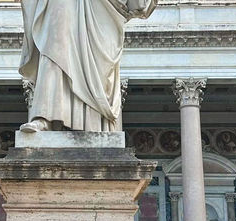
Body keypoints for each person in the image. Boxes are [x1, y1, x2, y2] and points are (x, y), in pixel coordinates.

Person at [18, 0, 157, 132]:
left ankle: (93, 123)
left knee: (98, 70)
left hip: (101, 8)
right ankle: (45, 116)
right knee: (54, 44)